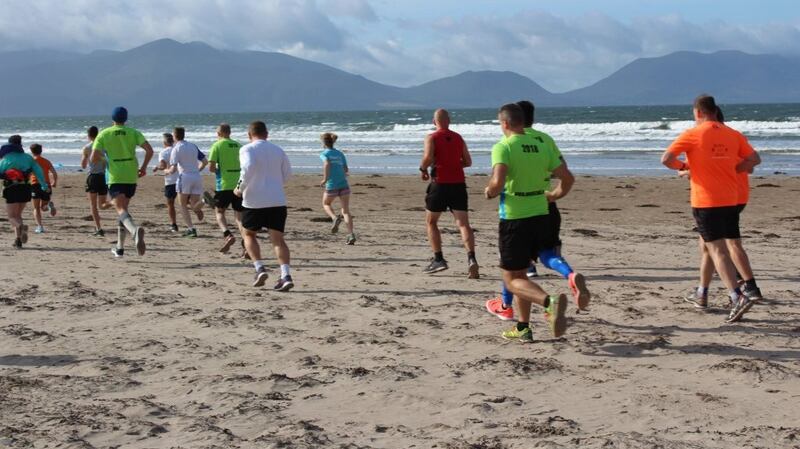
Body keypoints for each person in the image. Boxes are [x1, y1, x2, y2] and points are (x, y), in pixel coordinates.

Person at [485, 100, 591, 321]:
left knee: (512, 278)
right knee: (526, 271)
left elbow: (497, 181)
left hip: (515, 217)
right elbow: (568, 178)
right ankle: (523, 329)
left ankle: (548, 303)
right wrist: (554, 195)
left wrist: (490, 191)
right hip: (542, 213)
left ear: (504, 123)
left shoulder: (503, 146)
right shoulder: (542, 144)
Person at [661, 94, 761, 323]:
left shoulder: (693, 134)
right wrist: (736, 168)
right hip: (731, 199)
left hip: (706, 201)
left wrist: (685, 167)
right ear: (715, 111)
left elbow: (666, 159)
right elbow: (755, 159)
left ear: (698, 112)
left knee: (718, 251)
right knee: (707, 247)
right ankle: (702, 293)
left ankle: (737, 296)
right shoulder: (733, 134)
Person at [418, 109, 479, 278]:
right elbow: (468, 161)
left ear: (433, 121)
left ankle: (438, 259)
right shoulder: (458, 138)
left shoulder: (432, 137)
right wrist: (454, 164)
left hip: (440, 184)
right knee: (463, 224)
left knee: (431, 222)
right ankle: (471, 258)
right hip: (458, 184)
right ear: (449, 121)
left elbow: (428, 157)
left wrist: (423, 169)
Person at [234, 121, 294, 291]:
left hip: (254, 200)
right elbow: (288, 174)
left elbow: (248, 168)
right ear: (266, 133)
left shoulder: (247, 149)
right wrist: (274, 183)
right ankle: (285, 275)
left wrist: (239, 188)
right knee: (278, 240)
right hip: (277, 199)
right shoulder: (278, 150)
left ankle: (259, 268)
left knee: (249, 234)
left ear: (249, 135)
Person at [90, 107, 154, 258]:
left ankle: (134, 231)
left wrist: (106, 159)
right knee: (123, 209)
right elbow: (150, 151)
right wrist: (144, 167)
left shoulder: (104, 133)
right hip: (131, 173)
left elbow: (93, 157)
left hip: (116, 174)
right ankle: (119, 248)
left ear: (112, 119)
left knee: (120, 209)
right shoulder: (133, 132)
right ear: (125, 119)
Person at [1, 139, 48, 248]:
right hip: (26, 188)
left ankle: (21, 227)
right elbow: (39, 171)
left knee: (11, 217)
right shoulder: (28, 158)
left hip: (11, 188)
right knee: (18, 215)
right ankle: (18, 241)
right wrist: (44, 186)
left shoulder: (6, 158)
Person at [208, 123, 244, 252]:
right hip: (239, 184)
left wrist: (218, 170)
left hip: (223, 184)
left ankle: (227, 234)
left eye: (217, 133)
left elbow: (211, 168)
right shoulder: (239, 146)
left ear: (220, 133)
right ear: (230, 132)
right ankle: (246, 242)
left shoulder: (217, 145)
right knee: (239, 217)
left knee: (219, 212)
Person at [166, 127, 207, 238]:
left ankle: (191, 229)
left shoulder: (176, 148)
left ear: (174, 136)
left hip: (185, 177)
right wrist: (197, 170)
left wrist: (166, 171)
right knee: (194, 205)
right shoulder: (192, 146)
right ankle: (204, 201)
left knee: (182, 205)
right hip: (196, 176)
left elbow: (173, 169)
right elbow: (204, 161)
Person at [319, 132, 356, 245]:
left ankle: (334, 218)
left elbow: (326, 164)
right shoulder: (340, 153)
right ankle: (351, 235)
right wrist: (343, 173)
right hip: (343, 184)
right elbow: (345, 168)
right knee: (345, 211)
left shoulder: (324, 153)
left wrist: (325, 179)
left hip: (332, 185)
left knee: (326, 204)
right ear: (333, 142)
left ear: (323, 143)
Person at [80, 126, 107, 236]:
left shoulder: (87, 147)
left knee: (93, 205)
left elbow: (83, 165)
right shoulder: (104, 146)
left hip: (93, 177)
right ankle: (115, 203)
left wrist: (85, 157)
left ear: (88, 135)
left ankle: (98, 228)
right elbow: (108, 161)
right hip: (103, 176)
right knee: (102, 205)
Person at [28, 143, 58, 233]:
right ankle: (49, 206)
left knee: (36, 208)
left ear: (31, 151)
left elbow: (27, 174)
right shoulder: (46, 161)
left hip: (35, 185)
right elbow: (54, 173)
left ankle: (40, 227)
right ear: (41, 151)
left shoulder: (30, 162)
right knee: (43, 207)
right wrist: (54, 182)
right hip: (46, 185)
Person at [152, 133, 179, 232]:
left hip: (171, 180)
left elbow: (163, 166)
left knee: (170, 203)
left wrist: (156, 167)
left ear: (164, 142)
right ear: (173, 141)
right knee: (186, 201)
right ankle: (198, 206)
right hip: (181, 179)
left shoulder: (163, 152)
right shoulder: (177, 149)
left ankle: (174, 224)